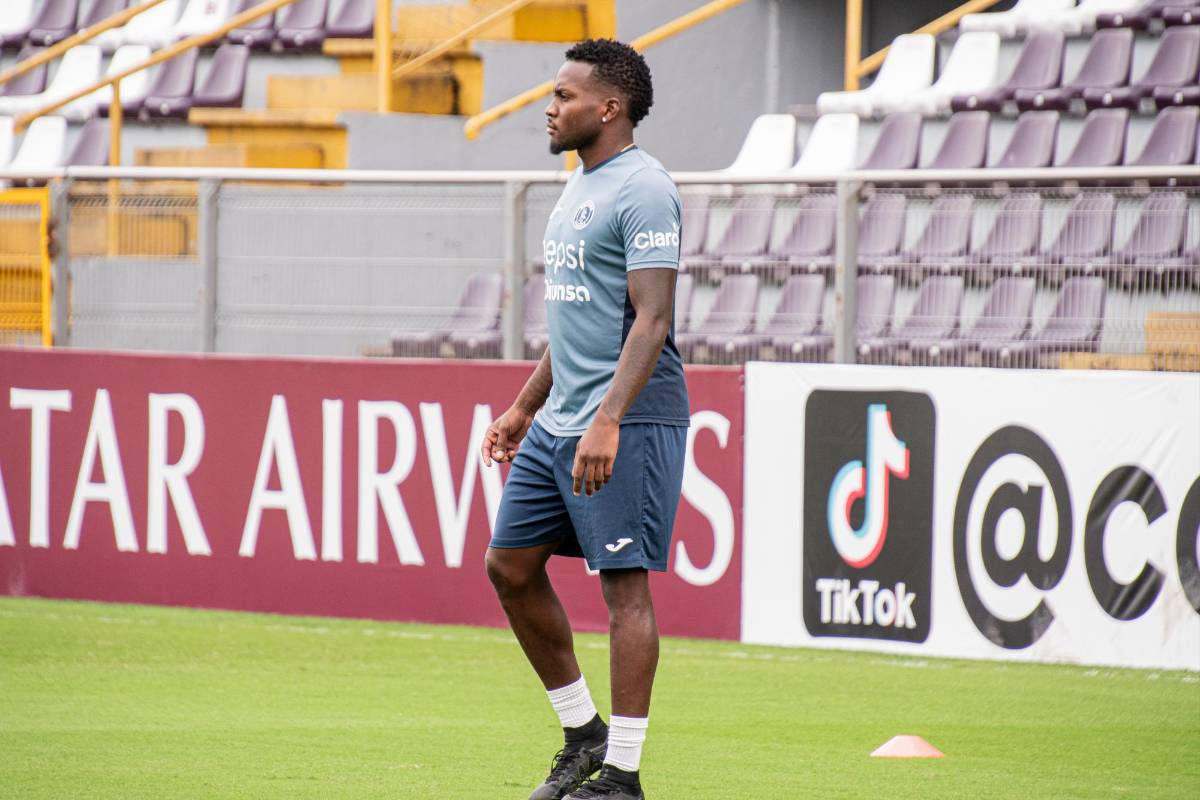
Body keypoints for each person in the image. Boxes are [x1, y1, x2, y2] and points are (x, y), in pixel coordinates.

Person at [480, 38, 689, 800]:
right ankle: (583, 735)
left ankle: (623, 778)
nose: (550, 106)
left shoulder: (645, 189)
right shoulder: (579, 185)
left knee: (623, 590)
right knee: (509, 566)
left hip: (624, 420)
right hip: (561, 419)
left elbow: (651, 318)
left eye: (564, 95)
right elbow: (574, 318)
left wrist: (608, 420)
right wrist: (524, 406)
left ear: (609, 107)